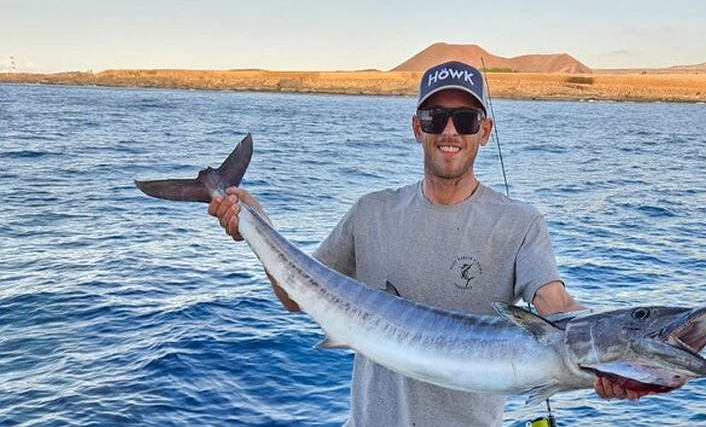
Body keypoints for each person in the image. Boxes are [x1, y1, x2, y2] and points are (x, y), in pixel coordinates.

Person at [208, 61, 650, 426]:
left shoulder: (520, 223)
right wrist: (254, 226)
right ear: (417, 128)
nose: (450, 132)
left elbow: (553, 301)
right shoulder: (371, 212)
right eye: (435, 118)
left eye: (465, 119)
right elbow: (293, 297)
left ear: (485, 128)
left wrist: (606, 356)